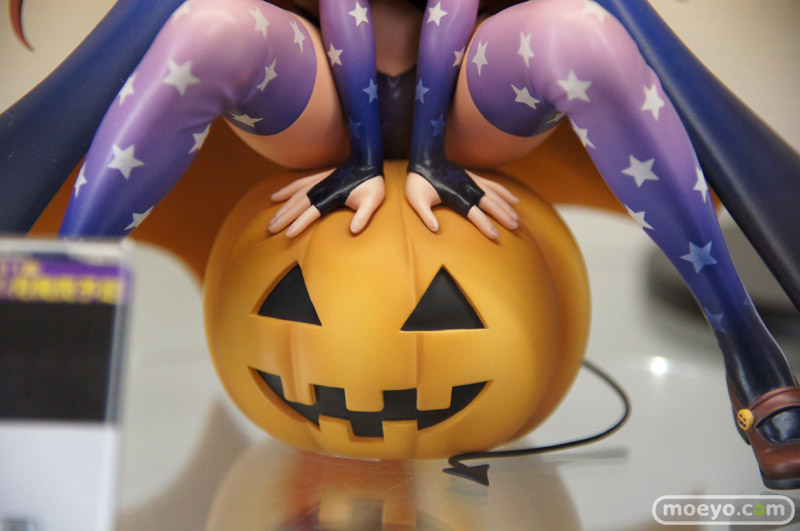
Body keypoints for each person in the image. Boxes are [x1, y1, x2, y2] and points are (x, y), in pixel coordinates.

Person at [4, 0, 800, 488]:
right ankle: (52, 326)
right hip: (313, 88)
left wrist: (428, 154)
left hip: (473, 93)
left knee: (584, 35)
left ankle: (748, 348)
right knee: (206, 28)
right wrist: (359, 157)